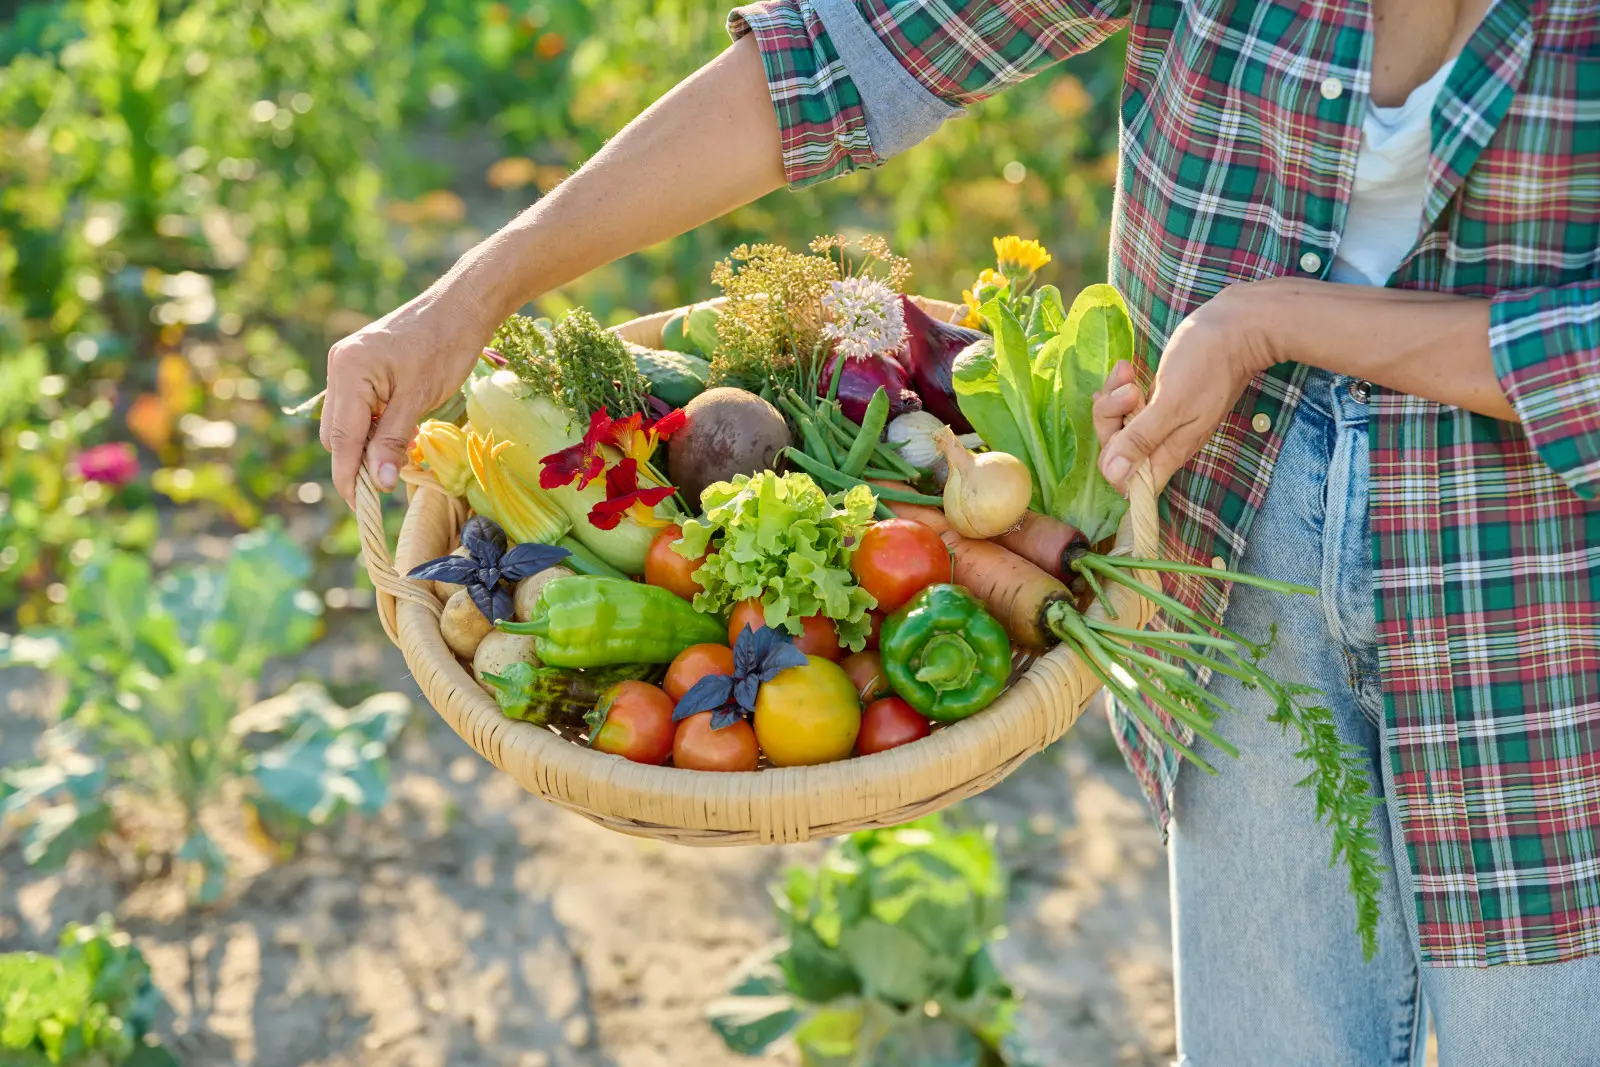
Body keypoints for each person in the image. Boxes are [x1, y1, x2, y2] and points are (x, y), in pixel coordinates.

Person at [321, 2, 1600, 1062]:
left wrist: (1278, 320)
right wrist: (468, 296)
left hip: (1539, 597)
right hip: (1214, 540)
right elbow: (843, 57)